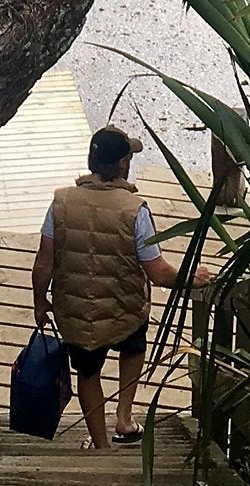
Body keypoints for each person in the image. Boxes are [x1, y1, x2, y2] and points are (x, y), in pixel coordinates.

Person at [31, 126, 213, 448]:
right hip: (123, 310)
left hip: (74, 314)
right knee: (133, 345)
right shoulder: (134, 209)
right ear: (123, 164)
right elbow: (157, 273)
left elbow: (44, 262)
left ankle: (101, 446)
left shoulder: (60, 202)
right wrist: (191, 277)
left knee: (88, 373)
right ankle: (124, 417)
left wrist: (40, 303)